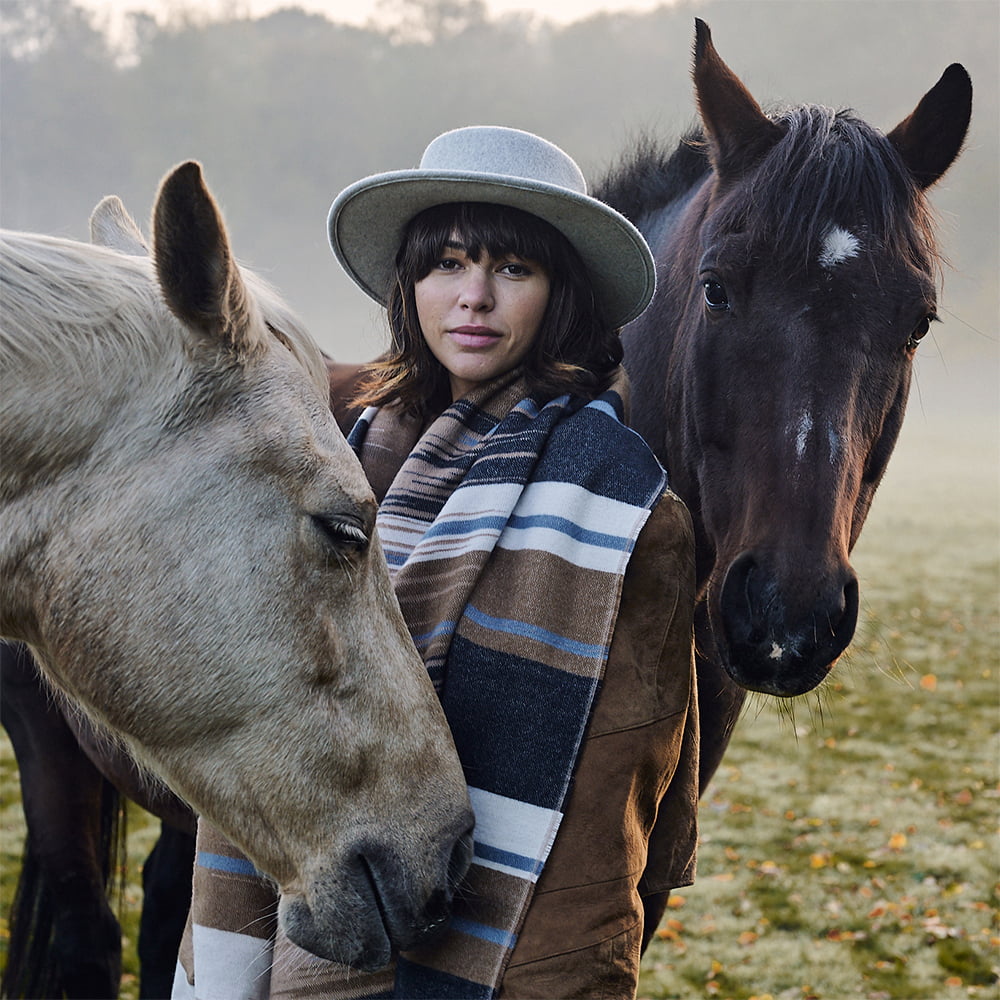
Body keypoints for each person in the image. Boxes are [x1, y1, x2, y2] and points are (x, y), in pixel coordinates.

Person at [174, 126, 698, 1000]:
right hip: (322, 903)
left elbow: (611, 798)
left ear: (560, 294)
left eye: (513, 269)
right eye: (447, 264)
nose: (474, 298)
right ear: (409, 284)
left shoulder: (623, 507)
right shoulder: (345, 462)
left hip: (510, 948)